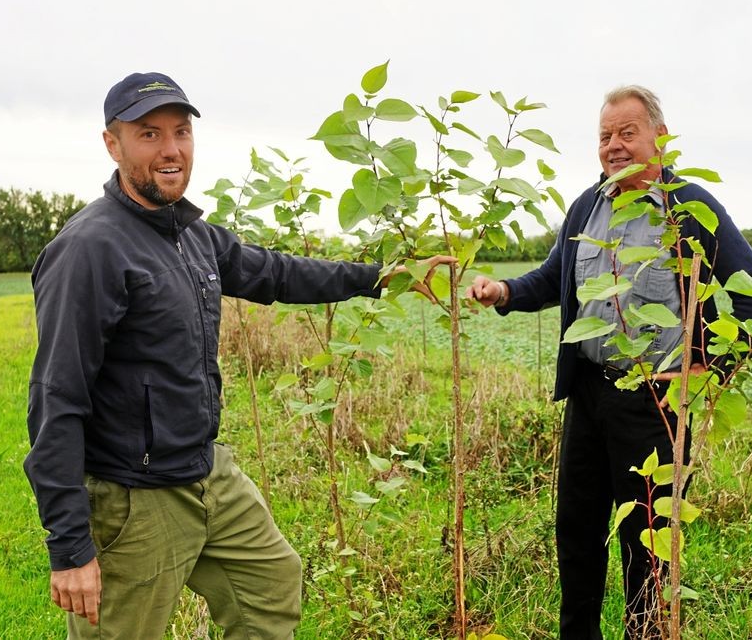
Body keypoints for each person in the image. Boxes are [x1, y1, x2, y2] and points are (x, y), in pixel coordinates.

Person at [24, 71, 450, 639]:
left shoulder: (190, 234)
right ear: (113, 143)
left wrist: (380, 278)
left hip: (206, 471)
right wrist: (70, 545)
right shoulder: (90, 249)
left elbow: (275, 272)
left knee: (271, 585)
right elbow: (57, 398)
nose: (171, 149)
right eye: (149, 134)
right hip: (134, 494)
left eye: (181, 132)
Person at [466, 85, 752, 639]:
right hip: (587, 397)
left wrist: (706, 368)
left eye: (626, 132)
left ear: (659, 136)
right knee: (577, 536)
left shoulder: (691, 208)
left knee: (647, 550)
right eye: (605, 136)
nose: (613, 145)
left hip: (653, 404)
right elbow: (551, 279)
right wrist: (505, 292)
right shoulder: (586, 205)